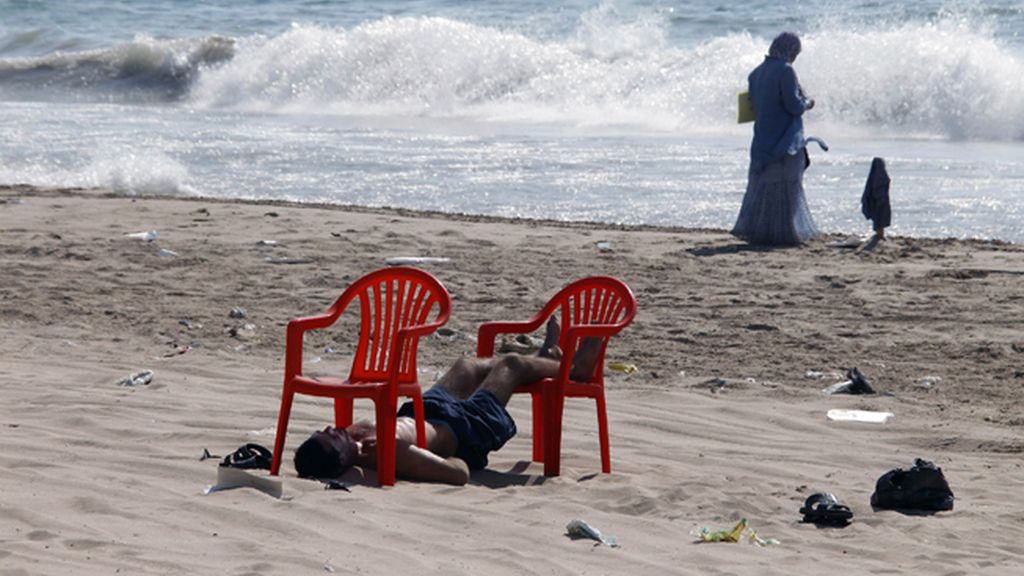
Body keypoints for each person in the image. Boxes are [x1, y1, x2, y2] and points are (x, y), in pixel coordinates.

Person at [293, 319, 601, 485]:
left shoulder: (354, 440)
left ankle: (541, 359)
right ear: (342, 459)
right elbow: (459, 474)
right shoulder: (389, 453)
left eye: (324, 429)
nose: (332, 428)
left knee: (467, 365)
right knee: (510, 366)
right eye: (331, 437)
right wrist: (451, 453)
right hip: (464, 427)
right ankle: (575, 370)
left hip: (427, 409)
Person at [731, 32, 819, 246]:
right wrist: (808, 103)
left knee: (764, 187)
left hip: (763, 137)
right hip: (785, 138)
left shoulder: (756, 73)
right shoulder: (786, 71)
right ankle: (785, 233)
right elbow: (793, 105)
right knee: (787, 185)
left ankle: (761, 232)